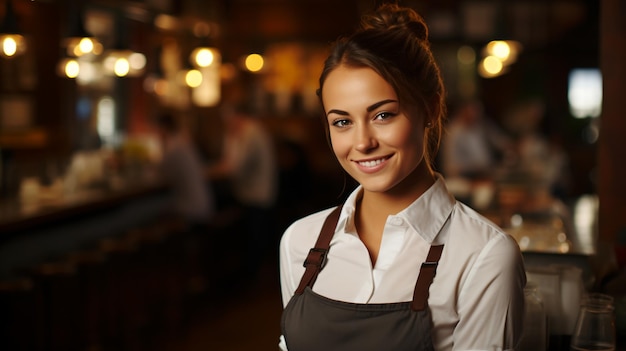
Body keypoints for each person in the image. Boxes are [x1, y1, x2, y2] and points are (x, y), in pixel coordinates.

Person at [278, 4, 526, 351]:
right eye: (342, 122)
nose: (363, 142)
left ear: (430, 108)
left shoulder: (484, 256)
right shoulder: (298, 243)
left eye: (383, 114)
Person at [155, 112, 215, 229]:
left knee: (148, 209)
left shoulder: (174, 148)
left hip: (192, 210)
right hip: (203, 205)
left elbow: (159, 176)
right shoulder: (183, 143)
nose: (156, 133)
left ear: (163, 128)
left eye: (156, 129)